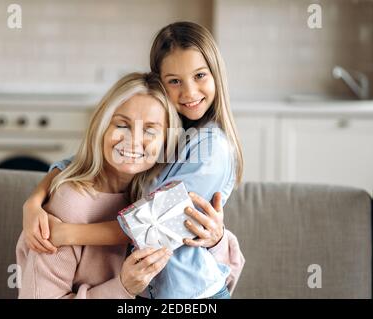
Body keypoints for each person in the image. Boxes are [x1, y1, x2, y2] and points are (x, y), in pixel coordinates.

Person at [23, 21, 245, 299]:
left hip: (191, 294)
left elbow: (153, 223)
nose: (189, 92)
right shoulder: (175, 135)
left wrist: (67, 234)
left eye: (200, 75)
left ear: (216, 74)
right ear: (161, 84)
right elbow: (83, 159)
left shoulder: (211, 147)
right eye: (175, 81)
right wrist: (33, 201)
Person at [16, 72, 182, 298]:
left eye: (150, 130)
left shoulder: (155, 198)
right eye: (122, 125)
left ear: (166, 141)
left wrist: (217, 239)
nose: (133, 140)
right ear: (101, 127)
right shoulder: (68, 205)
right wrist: (122, 288)